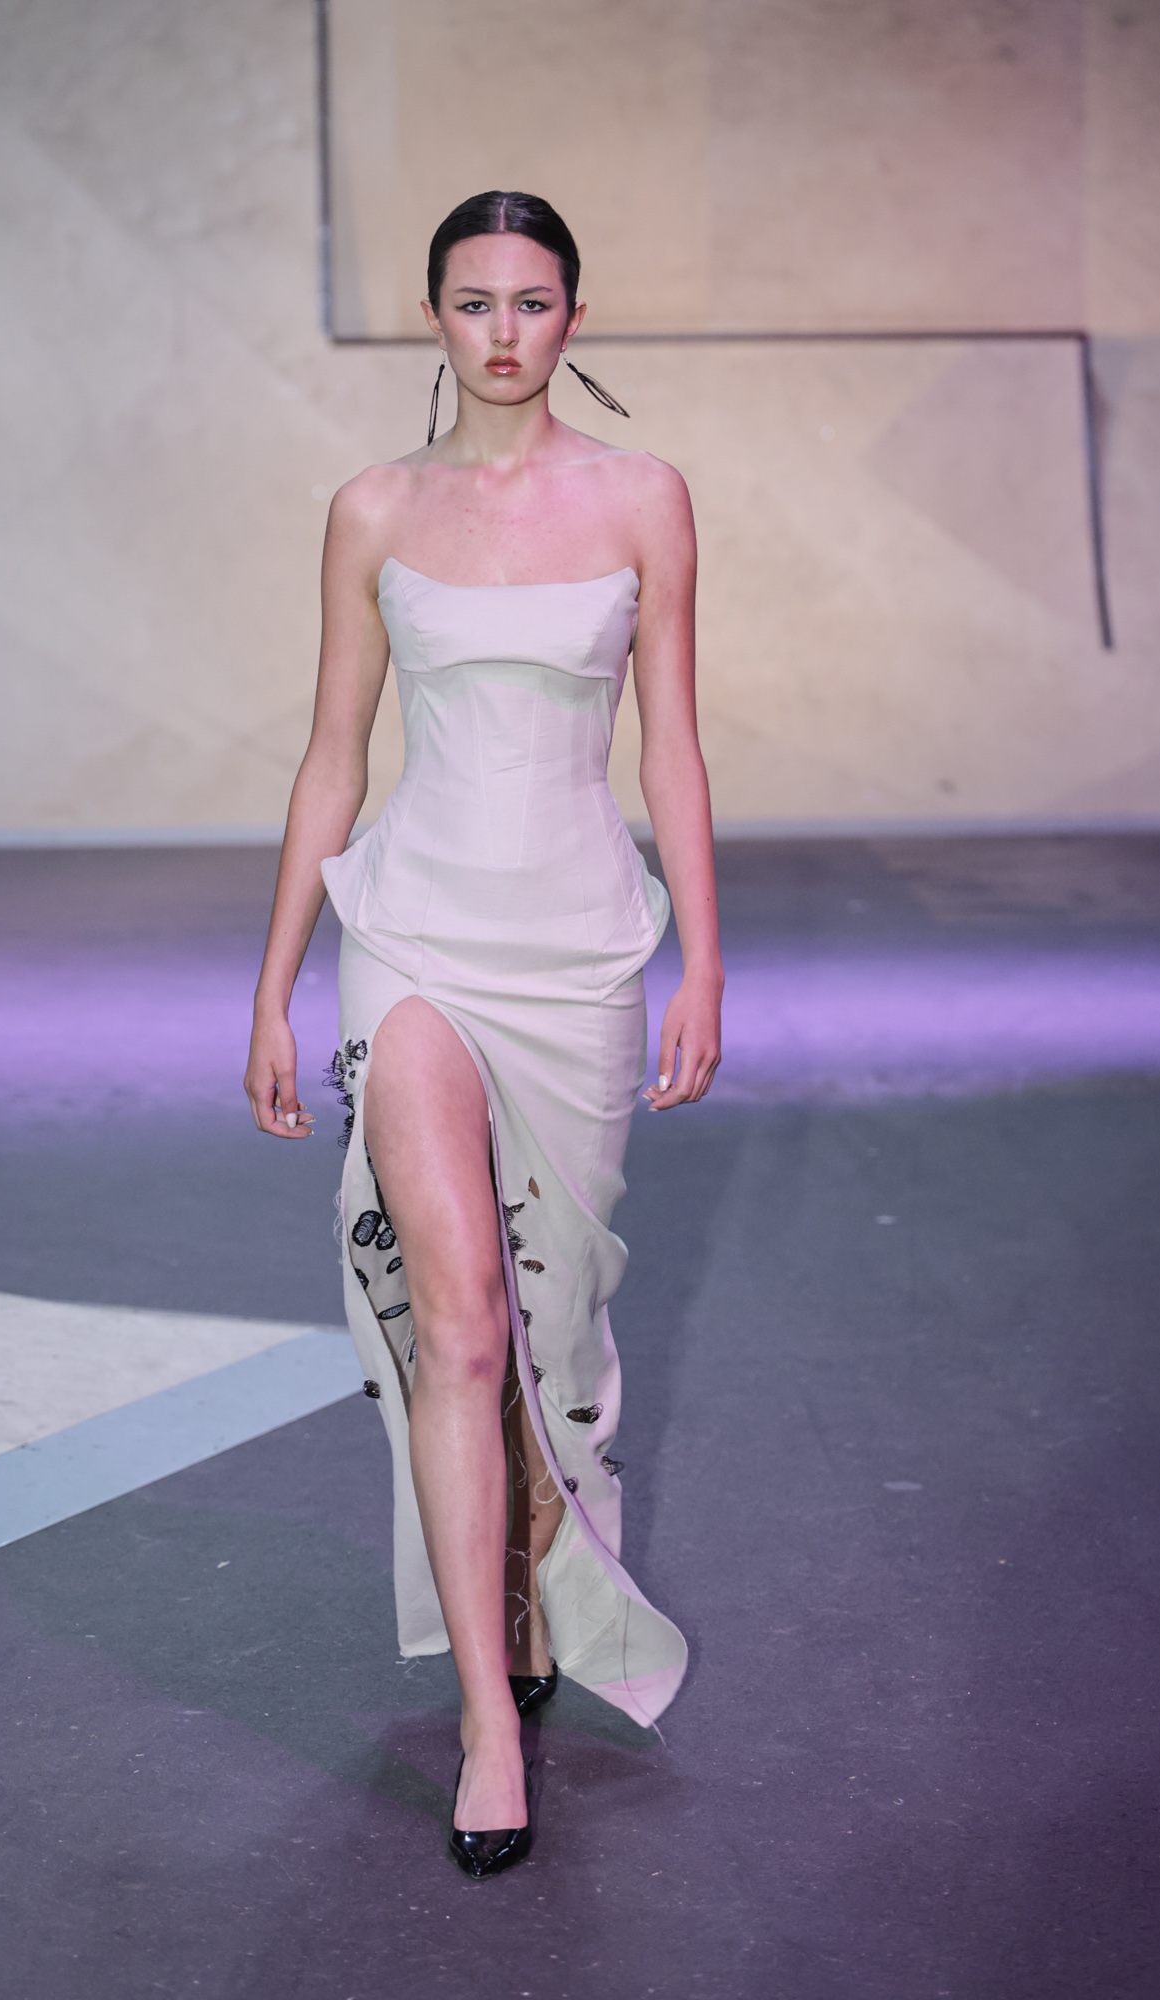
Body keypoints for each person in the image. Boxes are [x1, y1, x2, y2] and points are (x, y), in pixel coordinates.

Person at [245, 191, 723, 1878]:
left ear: (572, 317)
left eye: (530, 301)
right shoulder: (373, 507)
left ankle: (532, 1581)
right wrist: (276, 982)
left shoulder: (645, 497)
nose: (502, 331)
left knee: (552, 1331)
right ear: (432, 317)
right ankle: (485, 1723)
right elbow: (333, 752)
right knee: (454, 1332)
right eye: (472, 301)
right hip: (412, 944)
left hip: (580, 952)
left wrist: (703, 962)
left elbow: (671, 744)